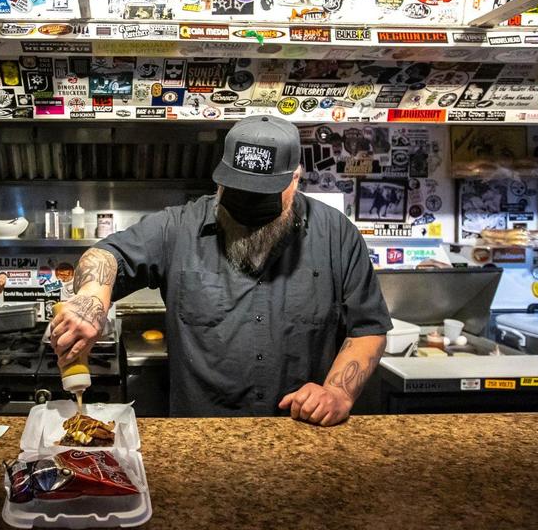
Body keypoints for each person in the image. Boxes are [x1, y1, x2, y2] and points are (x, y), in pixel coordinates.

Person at [50, 115, 391, 423]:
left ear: (295, 180)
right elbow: (107, 255)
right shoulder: (179, 226)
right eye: (238, 192)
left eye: (262, 197)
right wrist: (91, 299)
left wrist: (338, 392)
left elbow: (368, 327)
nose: (247, 210)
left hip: (301, 434)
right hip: (202, 437)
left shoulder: (336, 233)